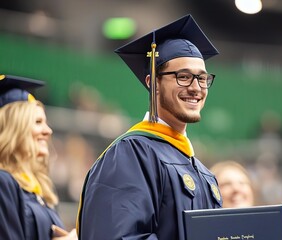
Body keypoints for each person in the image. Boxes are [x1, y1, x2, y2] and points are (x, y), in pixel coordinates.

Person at [77, 14, 222, 239]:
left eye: (202, 79)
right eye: (183, 77)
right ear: (153, 82)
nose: (196, 88)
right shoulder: (131, 154)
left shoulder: (204, 173)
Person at [0, 74, 77, 239]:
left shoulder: (42, 188)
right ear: (15, 128)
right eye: (37, 122)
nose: (48, 130)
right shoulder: (3, 183)